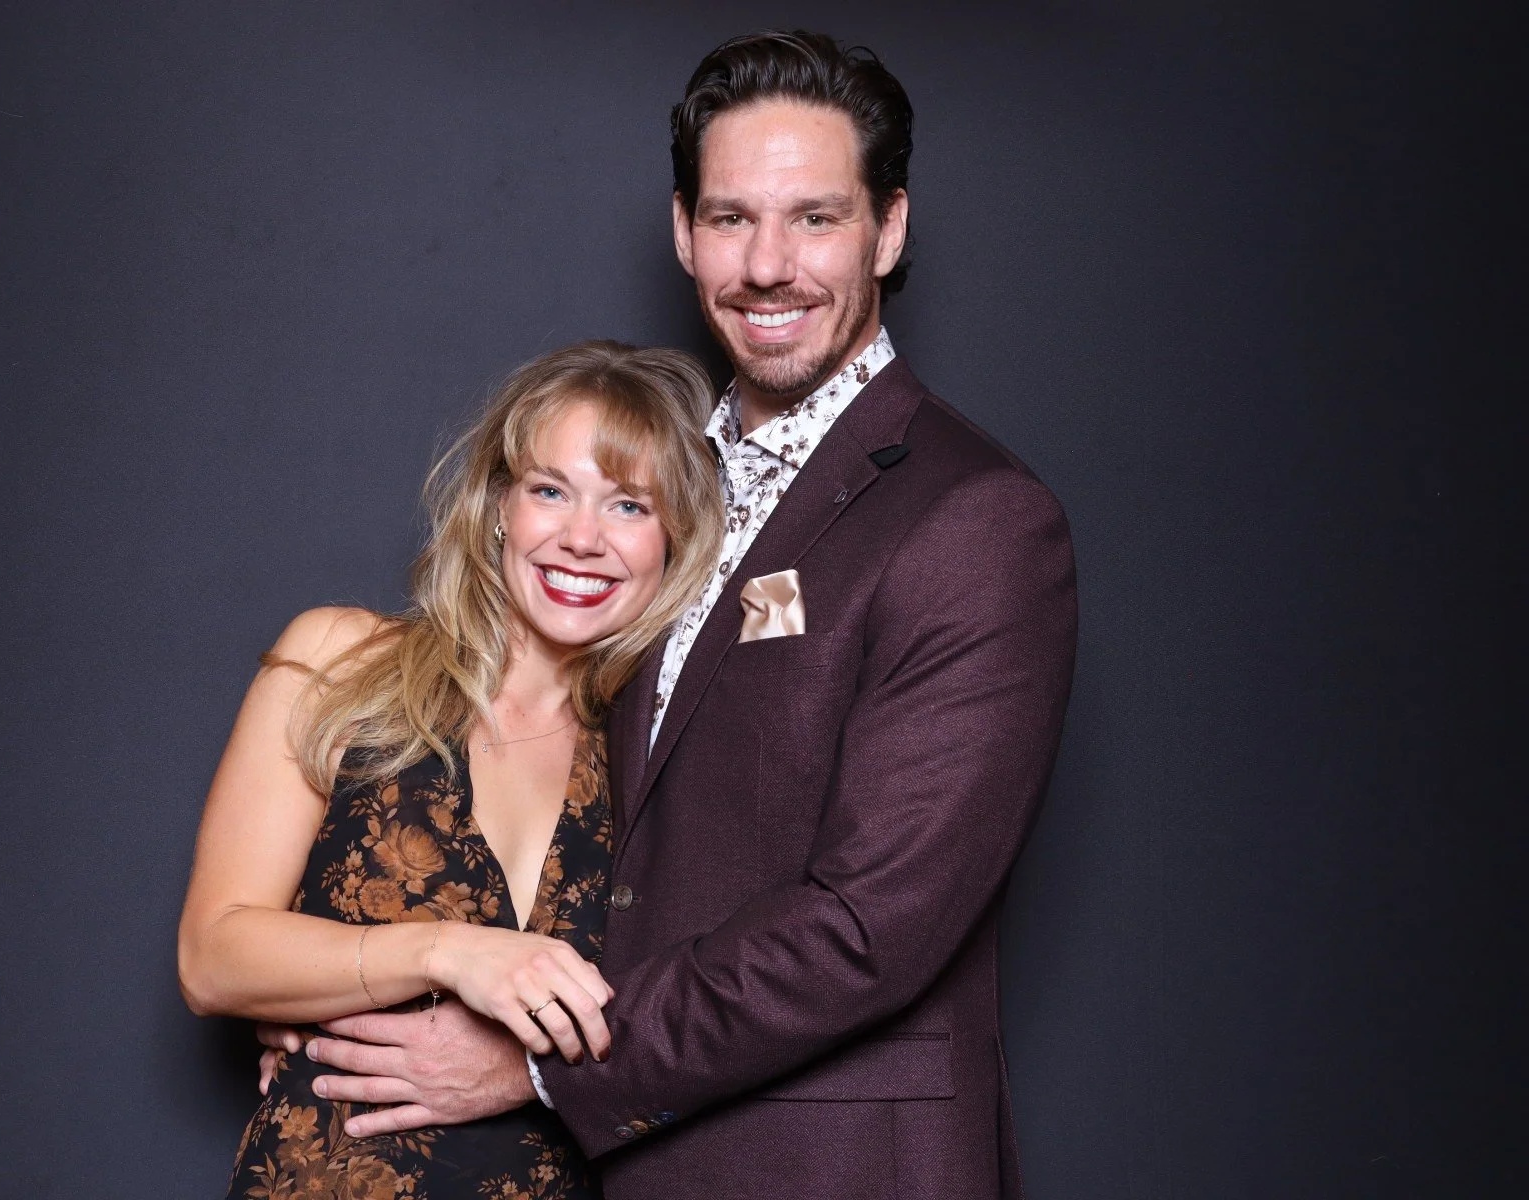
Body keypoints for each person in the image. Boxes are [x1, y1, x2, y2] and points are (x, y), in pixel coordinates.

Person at [280, 30, 1079, 1200]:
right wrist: (360, 1021)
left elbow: (870, 925)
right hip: (624, 1161)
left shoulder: (974, 518)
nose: (768, 265)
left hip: (831, 1166)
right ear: (681, 232)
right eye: (729, 218)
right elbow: (561, 797)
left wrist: (535, 1066)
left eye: (815, 218)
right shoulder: (661, 499)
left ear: (891, 228)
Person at [177, 340, 723, 1198]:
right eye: (550, 491)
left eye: (629, 506)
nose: (581, 539)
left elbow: (710, 1013)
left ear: (676, 539)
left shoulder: (655, 755)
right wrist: (449, 954)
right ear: (500, 505)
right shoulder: (341, 660)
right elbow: (213, 958)